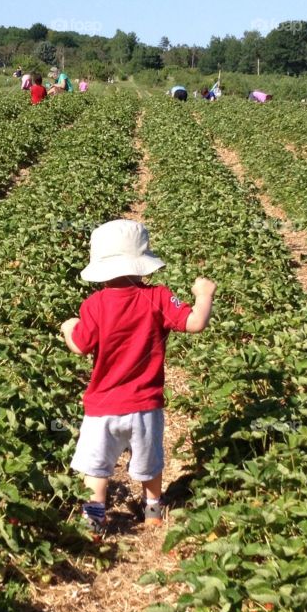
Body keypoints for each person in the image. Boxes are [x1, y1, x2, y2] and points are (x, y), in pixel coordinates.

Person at [59, 219, 216, 537]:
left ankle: (93, 519)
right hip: (145, 405)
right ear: (142, 262)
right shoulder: (159, 297)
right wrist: (204, 293)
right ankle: (154, 511)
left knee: (96, 469)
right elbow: (195, 322)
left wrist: (68, 328)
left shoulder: (94, 305)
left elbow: (80, 346)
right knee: (149, 462)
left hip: (102, 408)